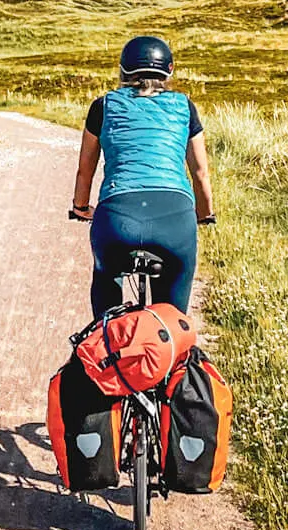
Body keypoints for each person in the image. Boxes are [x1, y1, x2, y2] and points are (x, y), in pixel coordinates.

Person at [67, 35, 215, 318]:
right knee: (172, 323)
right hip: (176, 222)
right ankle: (172, 354)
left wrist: (81, 207)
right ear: (169, 71)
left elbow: (85, 170)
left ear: (123, 71)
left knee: (105, 281)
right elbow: (200, 173)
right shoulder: (185, 106)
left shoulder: (103, 106)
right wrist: (205, 213)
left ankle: (105, 341)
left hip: (117, 218)